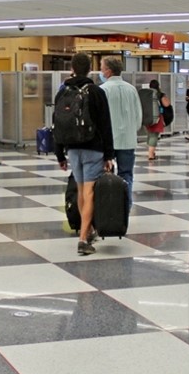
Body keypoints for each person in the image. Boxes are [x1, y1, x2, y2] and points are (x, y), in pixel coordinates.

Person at [54, 52, 114, 256]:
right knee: (90, 193)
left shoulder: (63, 92)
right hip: (93, 148)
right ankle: (83, 239)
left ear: (72, 68)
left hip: (72, 149)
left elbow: (57, 124)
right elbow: (106, 125)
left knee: (81, 191)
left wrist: (59, 155)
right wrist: (109, 154)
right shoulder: (96, 91)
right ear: (90, 68)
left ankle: (85, 230)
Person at [99, 56, 141, 211]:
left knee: (107, 176)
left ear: (108, 71)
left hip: (109, 141)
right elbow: (138, 117)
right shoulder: (131, 89)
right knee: (126, 175)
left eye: (102, 67)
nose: (101, 71)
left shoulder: (103, 90)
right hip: (128, 141)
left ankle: (109, 206)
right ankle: (125, 206)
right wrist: (130, 130)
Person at [144, 79, 172, 161]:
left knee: (150, 134)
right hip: (157, 117)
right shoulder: (160, 94)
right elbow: (167, 104)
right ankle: (151, 154)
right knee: (154, 135)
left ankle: (151, 151)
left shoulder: (146, 94)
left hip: (146, 116)